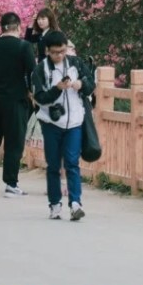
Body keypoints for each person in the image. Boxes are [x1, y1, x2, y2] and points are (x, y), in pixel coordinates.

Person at [31, 29, 94, 220]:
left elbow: (91, 83)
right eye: (55, 52)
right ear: (47, 51)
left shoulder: (76, 64)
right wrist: (57, 89)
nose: (59, 55)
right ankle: (54, 203)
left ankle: (75, 203)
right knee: (53, 165)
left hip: (74, 121)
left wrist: (81, 85)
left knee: (72, 163)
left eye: (62, 51)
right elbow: (40, 98)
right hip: (51, 122)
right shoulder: (41, 69)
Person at [0, 12, 37, 197]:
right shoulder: (24, 46)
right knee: (13, 142)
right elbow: (32, 73)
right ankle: (11, 183)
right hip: (15, 100)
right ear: (18, 27)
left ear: (1, 27)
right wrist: (32, 92)